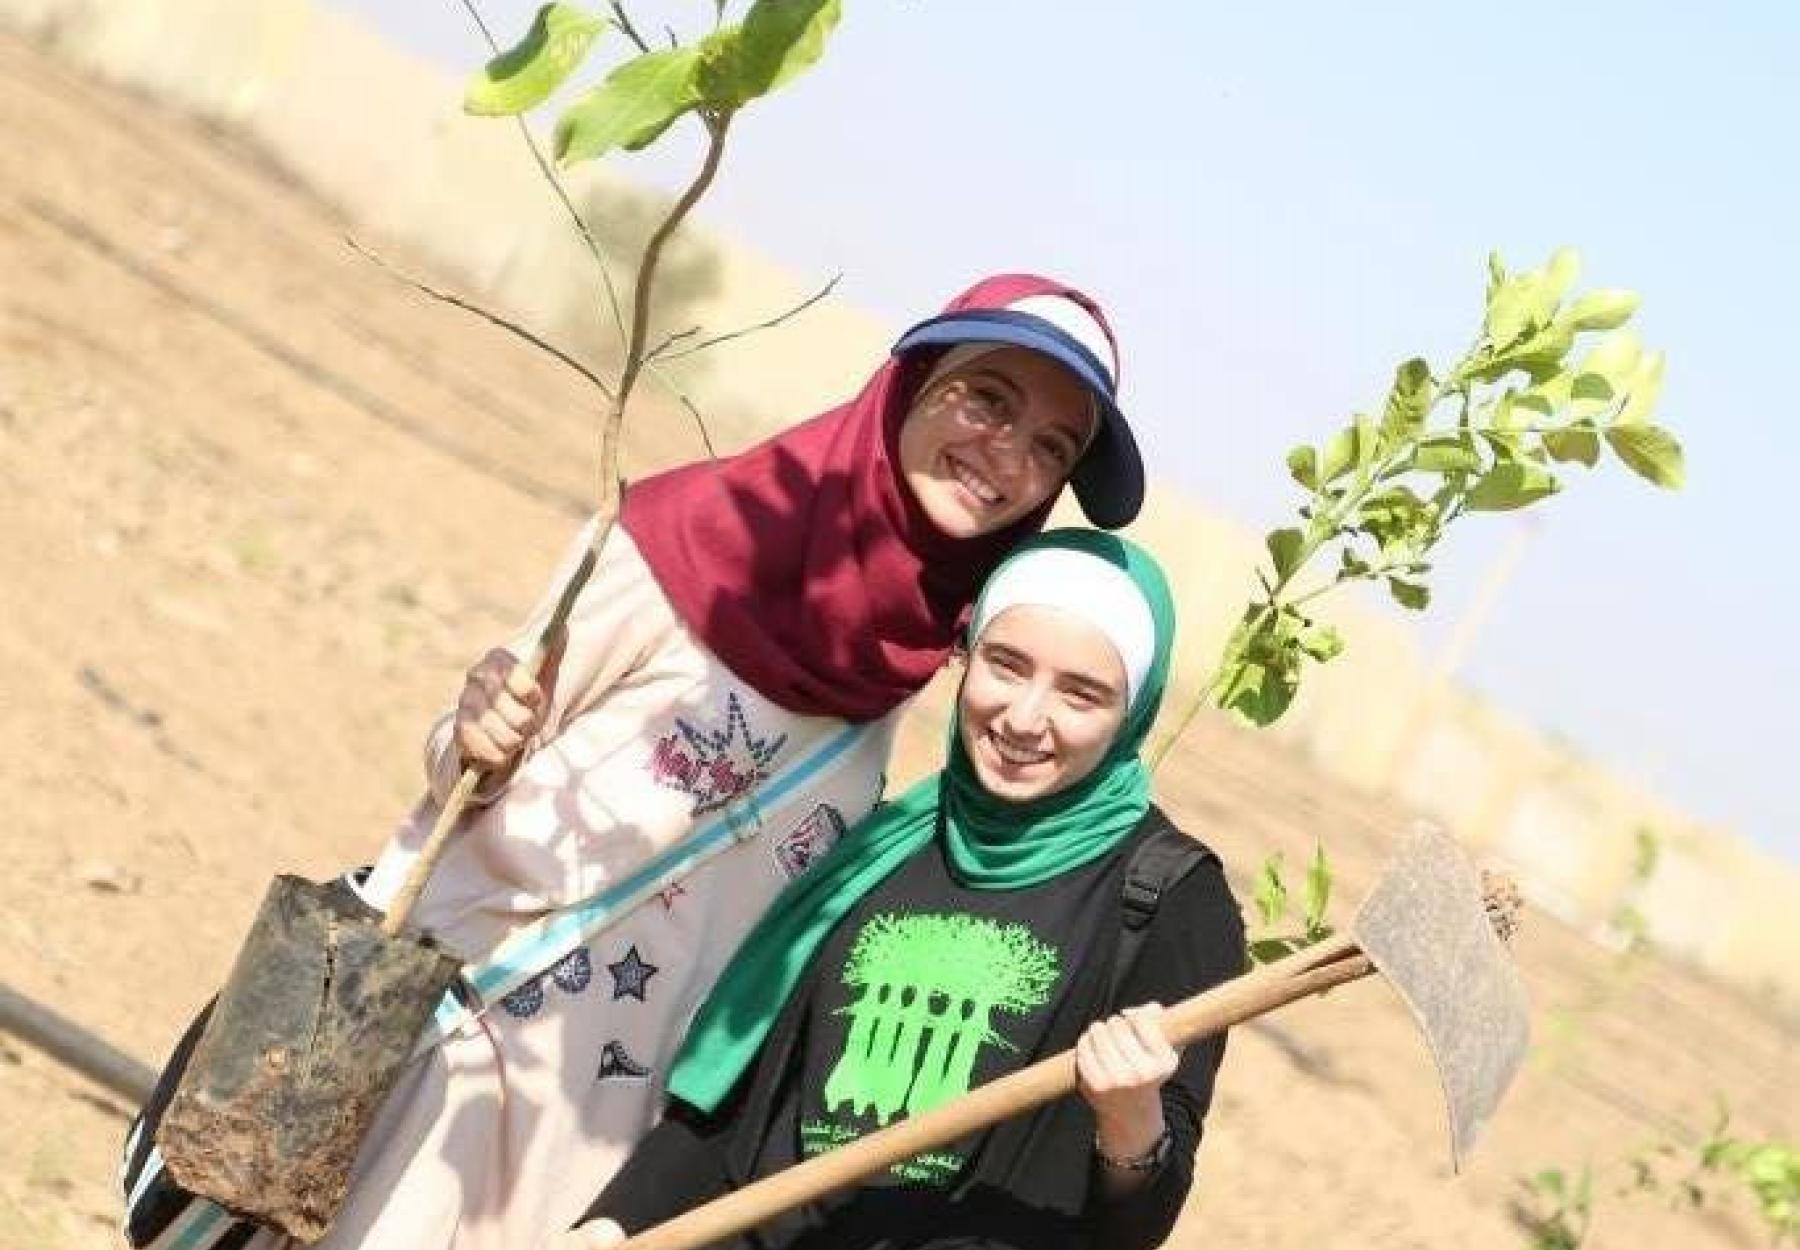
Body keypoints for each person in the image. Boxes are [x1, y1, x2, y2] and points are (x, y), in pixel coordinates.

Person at [121, 276, 1148, 1250]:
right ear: (909, 385)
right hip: (452, 1059)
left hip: (609, 1139)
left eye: (1049, 444)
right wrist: (479, 730)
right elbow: (465, 755)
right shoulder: (680, 537)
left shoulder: (909, 663)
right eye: (986, 398)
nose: (1006, 451)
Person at [561, 530, 1246, 1250]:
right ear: (967, 656)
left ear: (1131, 715)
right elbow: (737, 1109)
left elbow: (1137, 1227)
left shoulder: (1169, 897)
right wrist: (614, 1224)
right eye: (1006, 666)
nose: (1023, 718)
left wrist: (1130, 1119)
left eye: (1081, 694)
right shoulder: (880, 845)